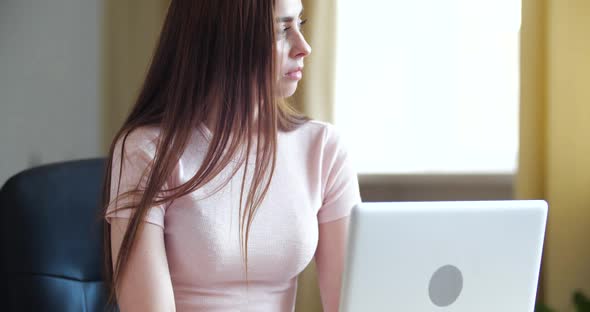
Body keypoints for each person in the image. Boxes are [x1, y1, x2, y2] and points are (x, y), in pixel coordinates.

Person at [101, 0, 361, 311]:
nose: (303, 47)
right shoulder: (146, 151)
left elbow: (353, 303)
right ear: (224, 38)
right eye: (282, 30)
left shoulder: (323, 149)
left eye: (300, 25)